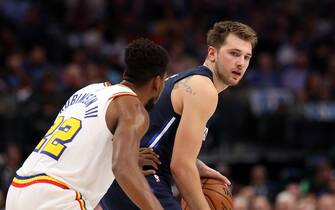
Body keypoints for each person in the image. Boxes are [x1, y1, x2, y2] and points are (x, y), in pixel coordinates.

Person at [100, 20, 258, 210]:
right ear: (212, 53)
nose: (241, 63)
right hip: (144, 177)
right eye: (234, 54)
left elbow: (159, 136)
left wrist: (198, 165)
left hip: (119, 181)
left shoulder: (184, 79)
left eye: (247, 57)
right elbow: (180, 166)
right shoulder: (203, 89)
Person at [5, 38, 169, 210]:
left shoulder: (87, 91)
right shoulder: (134, 108)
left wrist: (125, 157)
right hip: (58, 195)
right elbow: (122, 168)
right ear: (157, 82)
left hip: (19, 189)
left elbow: (75, 147)